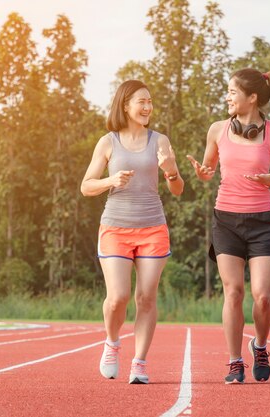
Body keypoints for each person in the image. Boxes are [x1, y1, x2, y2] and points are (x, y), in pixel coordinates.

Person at [187, 68, 270, 384]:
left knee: (262, 296)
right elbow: (208, 170)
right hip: (227, 221)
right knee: (233, 292)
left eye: (232, 92)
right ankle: (235, 362)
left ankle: (259, 346)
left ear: (251, 98)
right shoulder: (217, 130)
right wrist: (203, 173)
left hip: (263, 222)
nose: (227, 97)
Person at [81, 79, 184, 384]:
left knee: (146, 297)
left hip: (153, 228)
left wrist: (171, 170)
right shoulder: (108, 142)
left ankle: (139, 362)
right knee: (118, 298)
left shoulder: (160, 141)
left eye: (150, 101)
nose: (147, 107)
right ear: (125, 104)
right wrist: (110, 182)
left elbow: (177, 189)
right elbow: (86, 186)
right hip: (115, 228)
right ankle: (112, 342)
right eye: (141, 101)